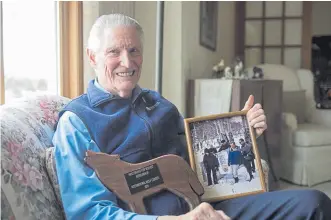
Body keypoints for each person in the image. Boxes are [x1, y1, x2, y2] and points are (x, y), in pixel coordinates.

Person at [52, 13, 331, 220]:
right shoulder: (76, 122)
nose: (127, 62)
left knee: (315, 203)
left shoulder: (157, 103)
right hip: (159, 218)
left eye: (134, 51)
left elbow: (198, 163)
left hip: (207, 207)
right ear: (92, 57)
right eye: (114, 52)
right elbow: (88, 212)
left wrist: (242, 134)